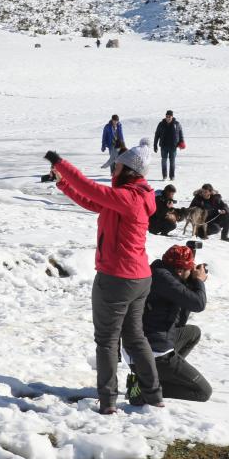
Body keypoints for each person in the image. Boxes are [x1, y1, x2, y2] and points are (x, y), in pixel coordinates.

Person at [44, 144, 164, 414]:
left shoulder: (127, 197)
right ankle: (154, 396)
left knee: (108, 341)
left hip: (117, 278)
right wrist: (63, 185)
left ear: (129, 170)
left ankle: (108, 401)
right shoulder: (136, 196)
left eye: (117, 165)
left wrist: (60, 163)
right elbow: (93, 202)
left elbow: (90, 188)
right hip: (139, 277)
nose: (114, 169)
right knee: (135, 337)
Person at [137, 244, 211, 402]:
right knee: (204, 392)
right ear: (179, 270)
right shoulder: (165, 280)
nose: (192, 271)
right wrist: (198, 281)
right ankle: (145, 389)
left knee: (193, 332)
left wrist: (189, 283)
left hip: (143, 345)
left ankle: (159, 378)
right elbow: (198, 304)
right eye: (189, 268)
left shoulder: (160, 273)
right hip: (154, 352)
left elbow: (180, 321)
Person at [153, 110, 184, 181]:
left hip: (173, 146)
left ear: (172, 117)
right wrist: (155, 145)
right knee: (164, 161)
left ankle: (172, 176)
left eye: (169, 116)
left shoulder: (177, 124)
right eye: (167, 116)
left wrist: (181, 142)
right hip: (164, 146)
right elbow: (157, 135)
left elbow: (180, 134)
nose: (168, 118)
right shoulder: (161, 124)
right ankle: (164, 176)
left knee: (172, 161)